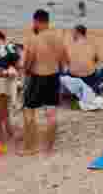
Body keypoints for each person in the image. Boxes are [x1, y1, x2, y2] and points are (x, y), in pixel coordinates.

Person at [22, 9, 69, 155]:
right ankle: (48, 149)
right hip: (53, 77)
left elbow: (29, 60)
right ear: (48, 21)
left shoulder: (34, 39)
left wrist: (26, 71)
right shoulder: (58, 38)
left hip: (37, 77)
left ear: (36, 21)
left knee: (29, 111)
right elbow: (65, 61)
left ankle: (30, 147)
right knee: (51, 114)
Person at [0, 30, 22, 145]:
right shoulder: (9, 48)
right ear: (2, 38)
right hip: (4, 82)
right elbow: (18, 65)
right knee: (3, 110)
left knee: (1, 110)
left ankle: (3, 132)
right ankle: (4, 133)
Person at [65, 24, 103, 94]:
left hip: (73, 77)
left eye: (73, 33)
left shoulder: (70, 45)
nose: (72, 35)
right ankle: (102, 86)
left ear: (77, 33)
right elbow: (101, 59)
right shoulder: (92, 44)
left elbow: (65, 62)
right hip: (89, 78)